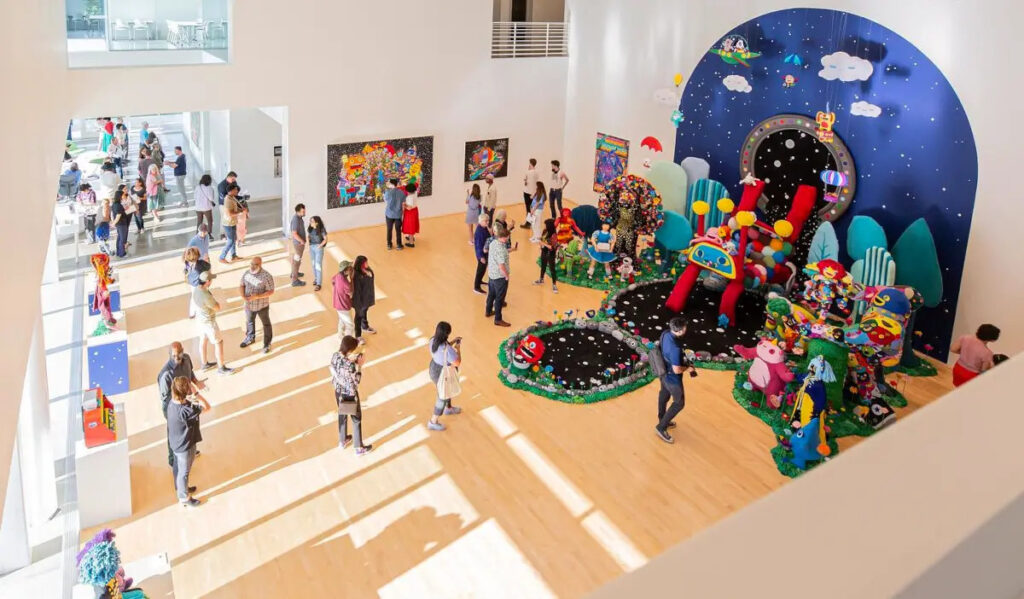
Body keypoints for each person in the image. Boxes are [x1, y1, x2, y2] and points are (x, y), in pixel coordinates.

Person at [157, 342, 205, 467]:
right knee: (174, 432)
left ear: (183, 351)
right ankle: (173, 458)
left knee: (190, 427)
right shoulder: (165, 375)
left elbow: (191, 373)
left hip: (187, 401)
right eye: (173, 356)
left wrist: (196, 382)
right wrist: (177, 408)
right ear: (169, 355)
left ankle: (189, 449)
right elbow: (165, 398)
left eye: (179, 355)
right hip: (173, 407)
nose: (177, 358)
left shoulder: (187, 358)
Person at [167, 375, 210, 507]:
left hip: (175, 442)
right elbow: (207, 406)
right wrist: (196, 393)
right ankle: (184, 497)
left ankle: (181, 488)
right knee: (184, 472)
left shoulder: (171, 404)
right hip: (185, 445)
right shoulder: (187, 410)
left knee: (177, 468)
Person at [655, 317, 696, 443]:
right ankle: (661, 427)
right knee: (679, 403)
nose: (685, 329)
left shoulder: (665, 333)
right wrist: (688, 368)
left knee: (664, 394)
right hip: (672, 378)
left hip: (662, 371)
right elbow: (677, 369)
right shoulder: (675, 348)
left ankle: (662, 418)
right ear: (679, 331)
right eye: (684, 328)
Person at [330, 336, 373, 455]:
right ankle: (359, 447)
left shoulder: (335, 356)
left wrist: (351, 360)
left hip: (338, 391)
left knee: (342, 414)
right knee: (356, 419)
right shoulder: (351, 366)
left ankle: (342, 440)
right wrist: (360, 365)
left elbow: (341, 368)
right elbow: (356, 381)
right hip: (350, 394)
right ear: (349, 350)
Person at [192, 270, 234, 375]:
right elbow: (217, 307)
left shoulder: (196, 290)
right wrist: (217, 302)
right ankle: (221, 367)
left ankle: (204, 363)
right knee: (219, 342)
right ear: (207, 281)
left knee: (203, 340)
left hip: (200, 320)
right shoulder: (206, 295)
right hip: (209, 322)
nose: (211, 281)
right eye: (210, 279)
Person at [426, 322, 463, 431]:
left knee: (447, 389)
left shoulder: (433, 340)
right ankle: (433, 421)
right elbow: (457, 362)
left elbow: (443, 350)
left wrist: (451, 343)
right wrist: (458, 348)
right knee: (442, 396)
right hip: (444, 373)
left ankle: (449, 408)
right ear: (446, 334)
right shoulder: (449, 350)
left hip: (434, 368)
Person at [239, 257, 275, 353]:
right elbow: (242, 284)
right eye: (251, 264)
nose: (252, 266)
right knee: (249, 321)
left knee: (266, 324)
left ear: (260, 264)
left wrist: (258, 296)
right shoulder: (247, 273)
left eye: (255, 264)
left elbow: (271, 291)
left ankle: (267, 344)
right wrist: (243, 295)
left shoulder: (266, 276)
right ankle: (250, 338)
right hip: (249, 305)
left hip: (262, 306)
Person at [485, 223, 512, 327]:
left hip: (492, 274)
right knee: (499, 298)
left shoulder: (493, 243)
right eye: (507, 237)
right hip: (500, 277)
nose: (508, 238)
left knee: (491, 294)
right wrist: (506, 275)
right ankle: (498, 319)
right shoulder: (501, 249)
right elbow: (501, 265)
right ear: (503, 237)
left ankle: (488, 311)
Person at [352, 256, 377, 338]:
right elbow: (357, 291)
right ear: (361, 264)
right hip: (359, 300)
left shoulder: (367, 270)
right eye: (365, 263)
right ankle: (358, 336)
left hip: (366, 297)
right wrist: (359, 303)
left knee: (364, 312)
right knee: (358, 316)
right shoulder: (357, 275)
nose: (367, 264)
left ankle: (365, 326)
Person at [219, 184, 244, 264]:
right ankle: (222, 257)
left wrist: (240, 209)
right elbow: (230, 213)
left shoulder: (232, 197)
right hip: (228, 224)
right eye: (236, 189)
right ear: (232, 190)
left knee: (233, 240)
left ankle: (233, 256)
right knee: (230, 241)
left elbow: (235, 208)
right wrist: (240, 212)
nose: (237, 191)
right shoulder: (228, 200)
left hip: (232, 222)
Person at [332, 260, 356, 341]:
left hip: (337, 304)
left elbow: (333, 280)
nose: (351, 269)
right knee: (350, 325)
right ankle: (348, 343)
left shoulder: (337, 276)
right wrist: (352, 279)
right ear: (345, 271)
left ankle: (340, 337)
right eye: (350, 269)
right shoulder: (346, 283)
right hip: (344, 306)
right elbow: (351, 294)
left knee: (342, 321)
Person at [533, 218, 559, 293]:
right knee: (543, 266)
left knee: (552, 269)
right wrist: (539, 240)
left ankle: (554, 285)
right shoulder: (545, 231)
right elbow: (542, 239)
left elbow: (552, 247)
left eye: (545, 225)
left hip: (550, 253)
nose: (544, 226)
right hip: (544, 251)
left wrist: (542, 243)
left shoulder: (554, 235)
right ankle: (541, 279)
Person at [307, 215, 328, 291]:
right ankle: (316, 279)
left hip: (318, 248)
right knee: (313, 265)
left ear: (317, 223)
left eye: (312, 221)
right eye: (310, 221)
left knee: (318, 266)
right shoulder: (310, 228)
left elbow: (325, 239)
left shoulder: (321, 229)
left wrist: (319, 246)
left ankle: (319, 284)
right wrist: (308, 244)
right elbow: (308, 236)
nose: (310, 223)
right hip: (311, 247)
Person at [289, 203, 308, 286]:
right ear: (298, 211)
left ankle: (294, 273)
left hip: (299, 244)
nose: (304, 213)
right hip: (298, 245)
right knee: (297, 261)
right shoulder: (296, 220)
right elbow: (294, 233)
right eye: (303, 211)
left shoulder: (299, 218)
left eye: (304, 211)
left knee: (296, 260)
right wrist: (302, 241)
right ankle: (295, 280)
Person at [383, 179, 405, 250]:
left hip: (389, 214)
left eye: (389, 183)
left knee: (389, 229)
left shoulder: (387, 192)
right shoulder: (401, 193)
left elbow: (385, 200)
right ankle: (399, 245)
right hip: (398, 214)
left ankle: (389, 244)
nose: (388, 184)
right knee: (398, 230)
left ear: (392, 184)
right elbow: (403, 203)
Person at [472, 213, 490, 295]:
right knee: (480, 270)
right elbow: (478, 246)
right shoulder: (479, 232)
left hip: (485, 253)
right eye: (486, 221)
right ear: (481, 221)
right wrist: (481, 257)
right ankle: (476, 287)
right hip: (481, 255)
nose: (487, 222)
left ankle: (480, 281)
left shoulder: (484, 228)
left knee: (483, 269)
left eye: (488, 221)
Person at [110, 189, 129, 258]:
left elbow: (113, 214)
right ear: (120, 196)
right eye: (123, 195)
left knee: (119, 238)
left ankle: (119, 252)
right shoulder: (118, 205)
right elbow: (118, 216)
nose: (124, 196)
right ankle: (122, 253)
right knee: (122, 239)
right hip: (121, 223)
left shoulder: (114, 204)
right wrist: (113, 223)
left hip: (119, 224)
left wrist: (113, 222)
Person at [402, 183, 420, 247]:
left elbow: (409, 208)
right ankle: (411, 237)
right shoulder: (415, 193)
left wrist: (404, 205)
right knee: (412, 225)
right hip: (415, 210)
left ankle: (411, 243)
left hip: (410, 213)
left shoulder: (410, 197)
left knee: (410, 226)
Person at [522, 158, 538, 228]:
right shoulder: (537, 172)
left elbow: (525, 183)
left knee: (528, 208)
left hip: (527, 192)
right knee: (532, 208)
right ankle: (532, 223)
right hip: (534, 192)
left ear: (531, 163)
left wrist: (526, 180)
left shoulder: (527, 172)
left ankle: (528, 223)